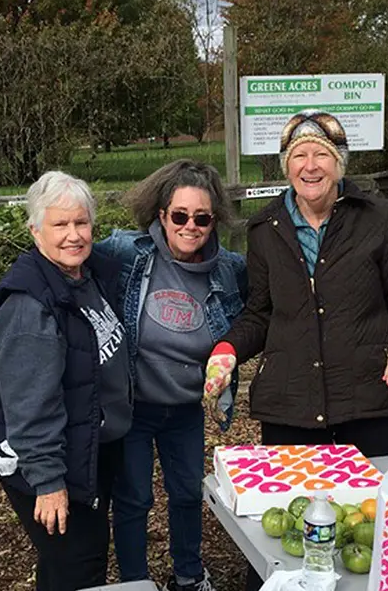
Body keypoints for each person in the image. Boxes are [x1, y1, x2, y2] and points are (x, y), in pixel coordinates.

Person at [204, 109, 388, 456]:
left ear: (339, 163)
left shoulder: (378, 219)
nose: (310, 166)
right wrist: (227, 349)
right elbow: (260, 313)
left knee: (371, 505)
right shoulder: (265, 230)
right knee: (295, 507)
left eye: (322, 154)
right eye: (299, 156)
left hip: (369, 398)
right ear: (286, 166)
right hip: (291, 405)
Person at [0, 171, 132, 591]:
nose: (73, 235)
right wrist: (49, 483)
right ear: (36, 232)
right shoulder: (31, 313)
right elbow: (30, 407)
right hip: (51, 459)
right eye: (60, 225)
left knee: (68, 562)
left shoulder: (87, 275)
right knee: (79, 563)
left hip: (87, 443)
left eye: (81, 223)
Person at [94, 159, 247, 590]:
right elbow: (64, 258)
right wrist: (8, 297)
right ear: (161, 215)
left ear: (213, 220)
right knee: (133, 499)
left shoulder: (229, 270)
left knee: (186, 494)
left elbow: (261, 316)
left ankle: (188, 575)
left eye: (202, 218)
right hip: (134, 406)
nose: (190, 226)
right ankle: (134, 581)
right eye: (179, 215)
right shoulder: (127, 253)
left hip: (185, 408)